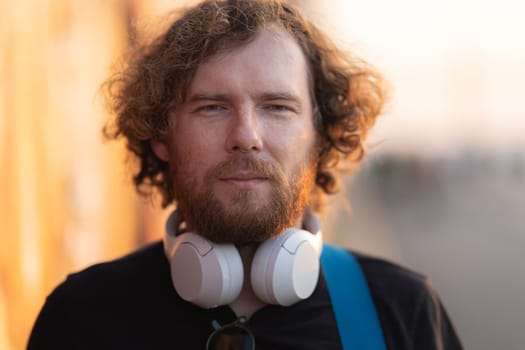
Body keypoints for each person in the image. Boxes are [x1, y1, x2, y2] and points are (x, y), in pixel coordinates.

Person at [28, 0, 463, 349]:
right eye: (212, 107)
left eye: (277, 107)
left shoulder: (401, 310)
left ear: (321, 136)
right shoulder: (81, 318)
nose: (246, 136)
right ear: (161, 134)